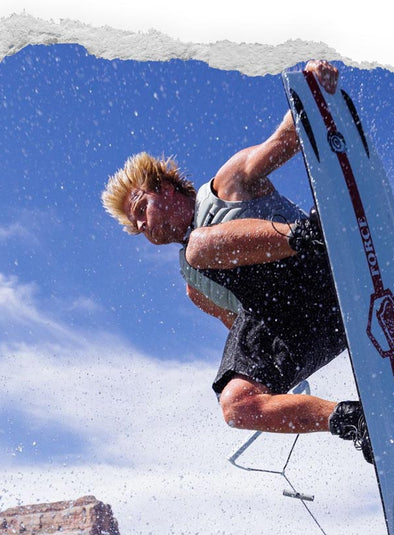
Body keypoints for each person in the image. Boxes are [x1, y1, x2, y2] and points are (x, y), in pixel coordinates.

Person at [100, 60, 372, 463]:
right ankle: (353, 421)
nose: (141, 226)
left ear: (169, 188)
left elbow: (282, 140)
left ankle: (312, 234)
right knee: (236, 405)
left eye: (141, 209)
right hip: (314, 326)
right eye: (135, 226)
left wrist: (315, 93)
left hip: (322, 272)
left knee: (196, 249)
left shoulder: (227, 184)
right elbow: (245, 330)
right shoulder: (196, 286)